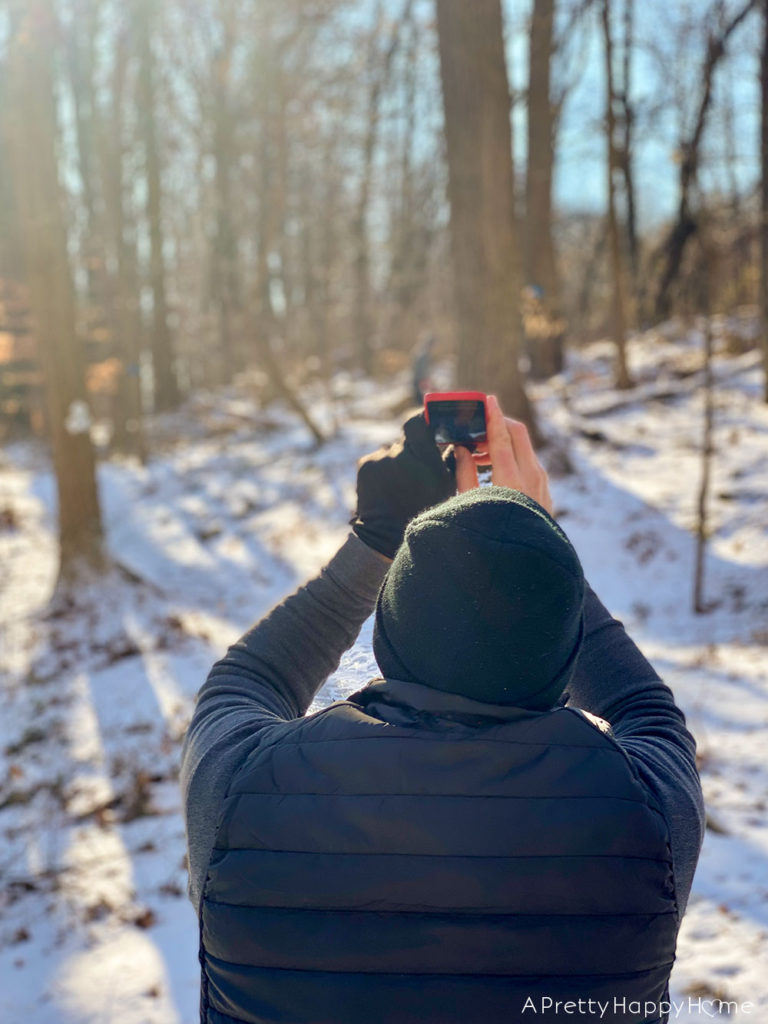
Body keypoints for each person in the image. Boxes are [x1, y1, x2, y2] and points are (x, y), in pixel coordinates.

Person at [181, 395, 704, 1024]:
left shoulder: (240, 793)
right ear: (559, 657)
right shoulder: (648, 820)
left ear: (388, 637)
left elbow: (246, 680)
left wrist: (376, 541)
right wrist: (533, 545)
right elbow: (647, 709)